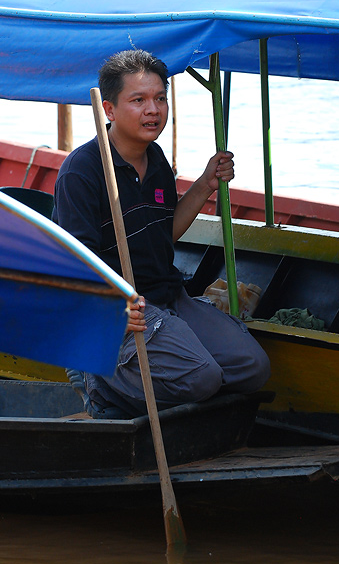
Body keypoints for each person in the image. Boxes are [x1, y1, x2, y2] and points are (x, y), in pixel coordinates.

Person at [53, 49, 270, 418]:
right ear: (108, 109)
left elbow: (163, 235)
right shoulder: (83, 170)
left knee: (252, 368)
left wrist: (204, 184)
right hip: (122, 308)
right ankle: (97, 379)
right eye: (138, 100)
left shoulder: (156, 161)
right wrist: (113, 310)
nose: (153, 110)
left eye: (159, 99)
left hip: (169, 296)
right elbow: (74, 263)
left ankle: (165, 371)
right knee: (203, 379)